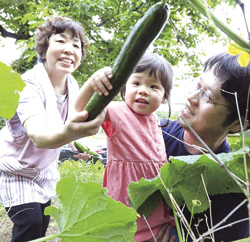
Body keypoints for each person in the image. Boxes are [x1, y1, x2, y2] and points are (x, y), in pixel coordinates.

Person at [0, 16, 105, 242]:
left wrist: (78, 144)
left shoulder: (72, 84)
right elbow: (38, 136)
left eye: (76, 45)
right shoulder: (28, 84)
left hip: (44, 172)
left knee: (42, 224)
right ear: (44, 48)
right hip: (15, 170)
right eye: (61, 41)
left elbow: (68, 123)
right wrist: (71, 134)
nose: (69, 50)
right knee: (30, 223)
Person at [74, 53, 177, 242]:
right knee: (128, 232)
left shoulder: (155, 120)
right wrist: (92, 82)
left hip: (155, 206)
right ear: (124, 88)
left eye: (153, 86)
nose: (143, 90)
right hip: (126, 197)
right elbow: (82, 109)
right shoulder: (116, 111)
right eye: (136, 83)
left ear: (164, 97)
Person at [160, 51, 250, 241]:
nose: (191, 97)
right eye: (197, 86)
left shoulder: (233, 188)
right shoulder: (154, 133)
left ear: (237, 123)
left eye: (207, 97)